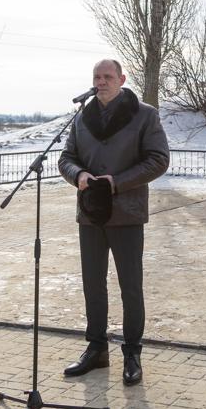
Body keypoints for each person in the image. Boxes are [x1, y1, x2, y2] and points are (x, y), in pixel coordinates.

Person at [58, 59, 169, 387]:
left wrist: (116, 182)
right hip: (90, 214)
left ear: (122, 79)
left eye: (108, 76)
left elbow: (158, 159)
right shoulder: (82, 116)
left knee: (130, 287)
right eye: (97, 76)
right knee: (92, 284)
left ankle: (132, 353)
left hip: (127, 213)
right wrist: (78, 175)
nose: (101, 81)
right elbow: (66, 158)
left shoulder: (144, 114)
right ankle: (96, 349)